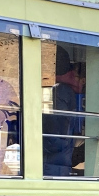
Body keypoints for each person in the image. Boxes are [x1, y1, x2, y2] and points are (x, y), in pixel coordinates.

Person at [42, 47, 87, 177]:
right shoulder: (63, 92)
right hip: (54, 167)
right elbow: (56, 141)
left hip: (51, 164)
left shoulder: (56, 89)